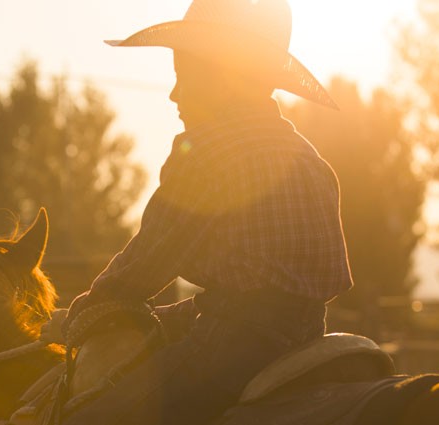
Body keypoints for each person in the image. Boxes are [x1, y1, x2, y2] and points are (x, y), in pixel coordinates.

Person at [60, 0, 353, 423]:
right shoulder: (313, 163)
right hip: (310, 339)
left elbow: (147, 264)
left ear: (221, 77)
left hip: (231, 346)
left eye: (184, 76)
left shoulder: (205, 152)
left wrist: (90, 305)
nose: (174, 94)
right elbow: (275, 291)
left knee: (93, 416)